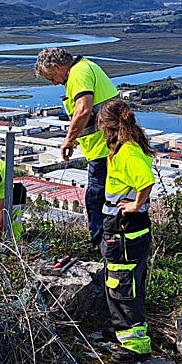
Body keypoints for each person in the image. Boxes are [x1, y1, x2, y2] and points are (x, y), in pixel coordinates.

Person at [34, 47, 119, 247]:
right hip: (109, 147)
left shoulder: (78, 73)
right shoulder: (85, 68)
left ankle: (103, 247)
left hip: (105, 149)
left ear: (57, 67)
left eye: (51, 78)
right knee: (110, 199)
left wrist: (69, 140)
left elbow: (83, 110)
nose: (54, 83)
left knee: (96, 201)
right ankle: (113, 244)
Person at [96, 99, 156, 364]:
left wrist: (135, 205)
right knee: (117, 282)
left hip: (125, 229)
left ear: (108, 125)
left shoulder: (128, 152)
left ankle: (137, 345)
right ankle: (124, 334)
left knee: (125, 285)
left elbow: (146, 181)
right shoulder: (122, 148)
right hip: (119, 228)